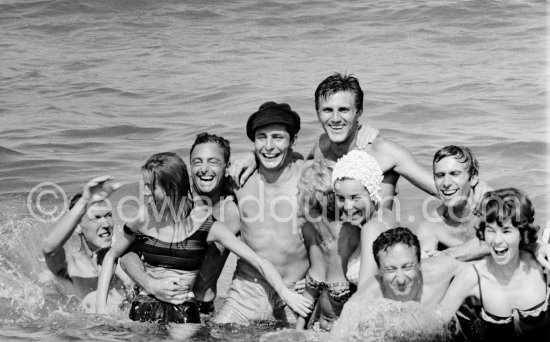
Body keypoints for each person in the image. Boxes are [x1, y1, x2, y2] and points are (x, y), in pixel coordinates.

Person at [96, 152, 311, 323]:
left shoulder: (206, 224)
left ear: (171, 187)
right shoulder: (144, 217)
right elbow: (113, 255)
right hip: (144, 303)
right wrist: (100, 308)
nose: (144, 192)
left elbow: (258, 261)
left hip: (184, 308)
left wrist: (285, 292)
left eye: (151, 186)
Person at [212, 102, 313, 325]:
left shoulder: (308, 178)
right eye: (261, 137)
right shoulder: (239, 179)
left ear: (293, 140)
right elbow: (193, 187)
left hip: (296, 291)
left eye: (278, 137)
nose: (268, 146)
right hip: (247, 290)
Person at [118, 133, 240, 316]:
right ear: (189, 167)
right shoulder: (170, 199)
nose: (204, 169)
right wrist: (149, 284)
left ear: (227, 167)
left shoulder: (234, 212)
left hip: (200, 309)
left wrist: (253, 158)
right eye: (197, 162)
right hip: (154, 298)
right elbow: (127, 254)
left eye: (213, 162)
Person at [438, 188, 550, 341]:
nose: (497, 241)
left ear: (521, 233)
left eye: (506, 231)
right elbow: (435, 325)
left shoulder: (542, 265)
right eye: (490, 230)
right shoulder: (471, 276)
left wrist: (539, 246)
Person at [42, 176, 132, 313]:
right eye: (97, 218)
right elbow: (49, 249)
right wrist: (84, 200)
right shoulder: (70, 267)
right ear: (77, 227)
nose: (106, 224)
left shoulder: (125, 261)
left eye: (109, 216)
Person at [295, 159, 361, 331]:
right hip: (317, 330)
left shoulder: (353, 236)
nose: (295, 196)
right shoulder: (309, 231)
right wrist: (296, 333)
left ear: (312, 200)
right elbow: (310, 296)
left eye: (298, 191)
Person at [349, 227, 466, 307]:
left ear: (419, 264)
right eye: (390, 269)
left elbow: (478, 272)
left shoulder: (440, 271)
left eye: (407, 267)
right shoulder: (368, 295)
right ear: (379, 271)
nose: (401, 280)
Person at [331, 149, 397, 289]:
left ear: (372, 192)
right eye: (341, 198)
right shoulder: (386, 214)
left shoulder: (371, 229)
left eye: (355, 197)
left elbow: (364, 297)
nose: (348, 207)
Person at [416, 145, 488, 260]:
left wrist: (447, 255)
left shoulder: (489, 209)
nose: (446, 183)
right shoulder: (431, 225)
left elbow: (499, 240)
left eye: (455, 174)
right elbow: (424, 265)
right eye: (440, 175)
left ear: (473, 178)